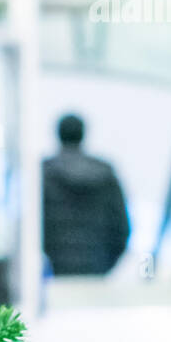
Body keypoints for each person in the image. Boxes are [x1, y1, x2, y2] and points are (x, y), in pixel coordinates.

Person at [42, 114, 130, 276]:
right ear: (83, 134)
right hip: (96, 269)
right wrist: (105, 266)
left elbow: (31, 226)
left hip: (55, 271)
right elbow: (122, 229)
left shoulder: (44, 174)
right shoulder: (106, 174)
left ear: (58, 134)